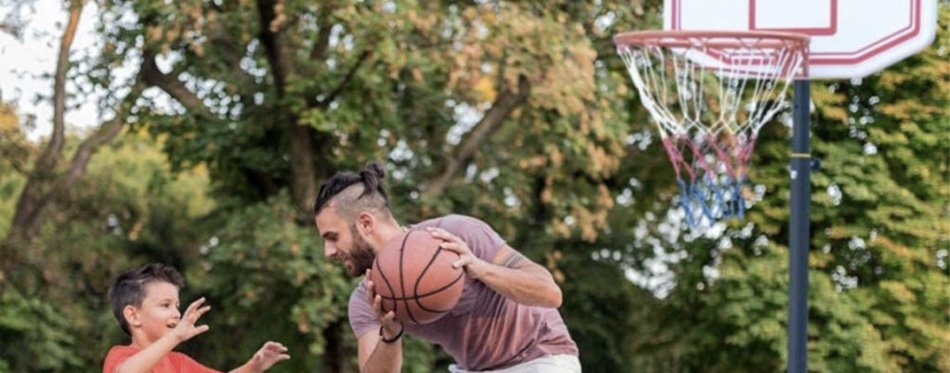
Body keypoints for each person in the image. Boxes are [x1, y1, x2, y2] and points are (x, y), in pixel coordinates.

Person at [313, 162, 580, 373]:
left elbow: (550, 294)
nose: (328, 252)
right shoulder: (366, 300)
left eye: (332, 237)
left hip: (541, 358)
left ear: (366, 224)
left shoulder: (454, 235)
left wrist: (478, 267)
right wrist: (390, 335)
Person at [103, 263, 291, 373]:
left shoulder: (178, 363)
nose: (176, 313)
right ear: (133, 315)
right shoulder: (120, 356)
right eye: (165, 305)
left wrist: (253, 366)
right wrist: (175, 336)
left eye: (177, 306)